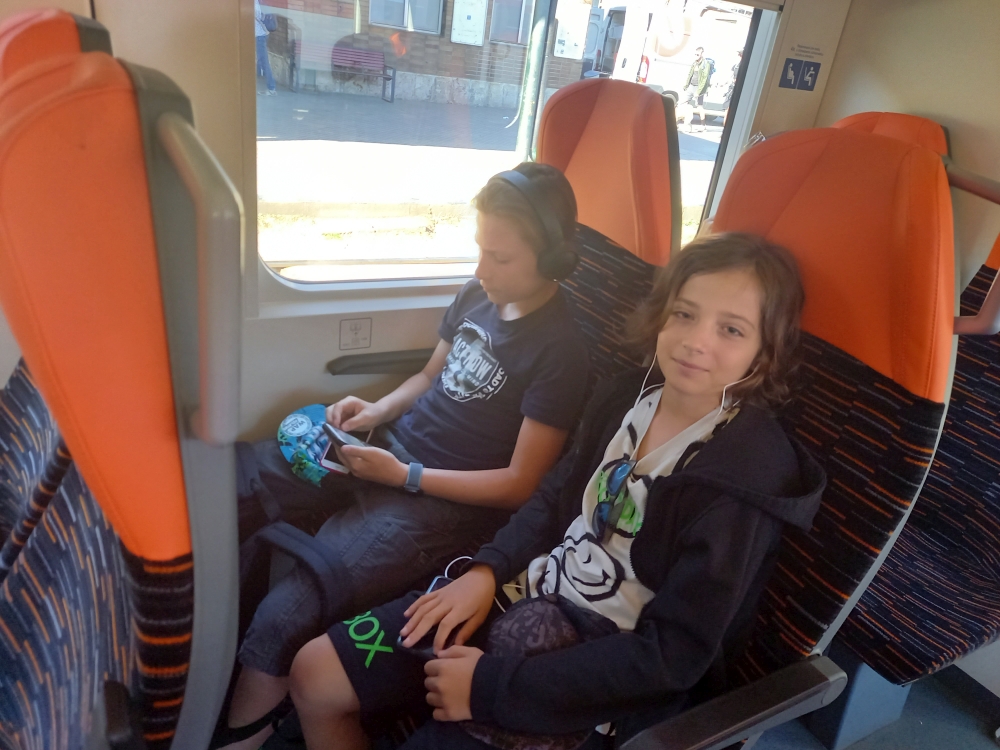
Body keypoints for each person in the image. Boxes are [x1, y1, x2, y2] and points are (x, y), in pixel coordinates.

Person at [288, 232, 827, 749]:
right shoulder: (627, 396)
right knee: (314, 674)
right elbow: (553, 498)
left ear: (764, 352)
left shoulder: (745, 476)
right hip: (524, 593)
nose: (696, 341)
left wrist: (490, 688)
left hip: (597, 674)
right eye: (684, 314)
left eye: (731, 330)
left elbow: (674, 656)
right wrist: (485, 572)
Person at [215, 163, 591, 750]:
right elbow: (428, 377)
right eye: (479, 250)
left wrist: (406, 477)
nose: (481, 269)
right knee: (236, 480)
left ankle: (237, 739)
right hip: (388, 451)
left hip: (441, 503)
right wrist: (376, 411)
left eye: (500, 258)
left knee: (284, 613)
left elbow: (521, 484)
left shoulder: (561, 352)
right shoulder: (476, 295)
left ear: (553, 258)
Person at [676, 46, 711, 132]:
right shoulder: (694, 63)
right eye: (695, 54)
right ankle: (675, 124)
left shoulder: (705, 64)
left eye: (697, 54)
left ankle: (703, 126)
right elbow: (690, 74)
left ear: (702, 54)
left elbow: (704, 79)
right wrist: (686, 85)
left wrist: (698, 91)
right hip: (691, 86)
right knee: (681, 103)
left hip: (699, 88)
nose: (696, 56)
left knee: (699, 107)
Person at [254, 0, 277, 95]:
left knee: (264, 62)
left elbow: (257, 18)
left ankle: (271, 88)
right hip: (261, 35)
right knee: (261, 61)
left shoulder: (254, 5)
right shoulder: (258, 3)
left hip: (260, 36)